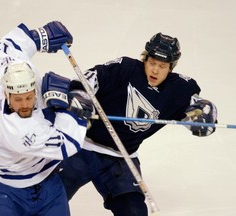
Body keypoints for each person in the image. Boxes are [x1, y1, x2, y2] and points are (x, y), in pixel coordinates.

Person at [57, 32, 218, 216]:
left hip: (122, 159)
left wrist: (205, 118)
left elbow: (198, 110)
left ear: (171, 67)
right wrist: (81, 96)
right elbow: (88, 78)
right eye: (152, 63)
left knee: (134, 212)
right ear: (145, 58)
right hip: (81, 150)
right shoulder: (125, 68)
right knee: (45, 199)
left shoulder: (179, 90)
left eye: (162, 66)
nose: (155, 70)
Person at [0, 21, 93, 216]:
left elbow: (8, 44)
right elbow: (67, 143)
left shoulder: (10, 71)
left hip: (46, 182)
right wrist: (72, 110)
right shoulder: (17, 131)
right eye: (18, 99)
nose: (25, 104)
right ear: (7, 95)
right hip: (2, 188)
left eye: (30, 97)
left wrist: (39, 37)